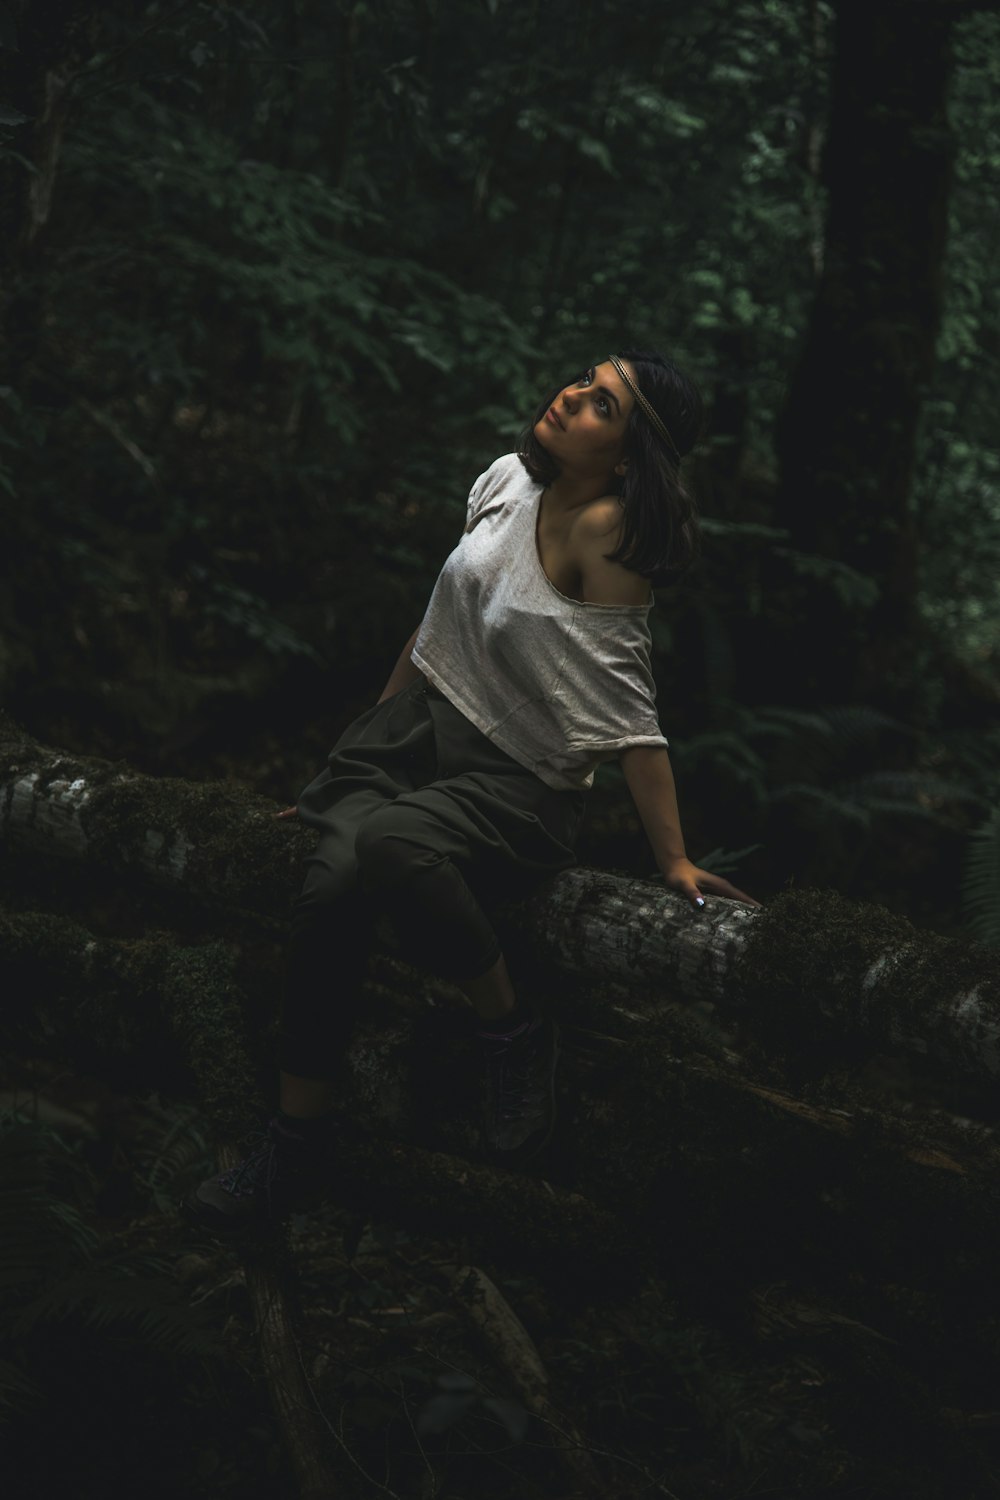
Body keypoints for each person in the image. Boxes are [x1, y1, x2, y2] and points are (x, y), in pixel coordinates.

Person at [185, 349, 760, 1233]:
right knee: (331, 882)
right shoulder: (504, 480)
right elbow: (433, 631)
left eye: (603, 403)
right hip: (420, 743)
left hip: (517, 784)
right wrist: (351, 767)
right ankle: (294, 1142)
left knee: (388, 846)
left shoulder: (607, 537)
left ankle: (510, 1030)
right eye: (584, 379)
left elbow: (632, 719)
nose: (572, 395)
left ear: (631, 452)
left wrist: (673, 858)